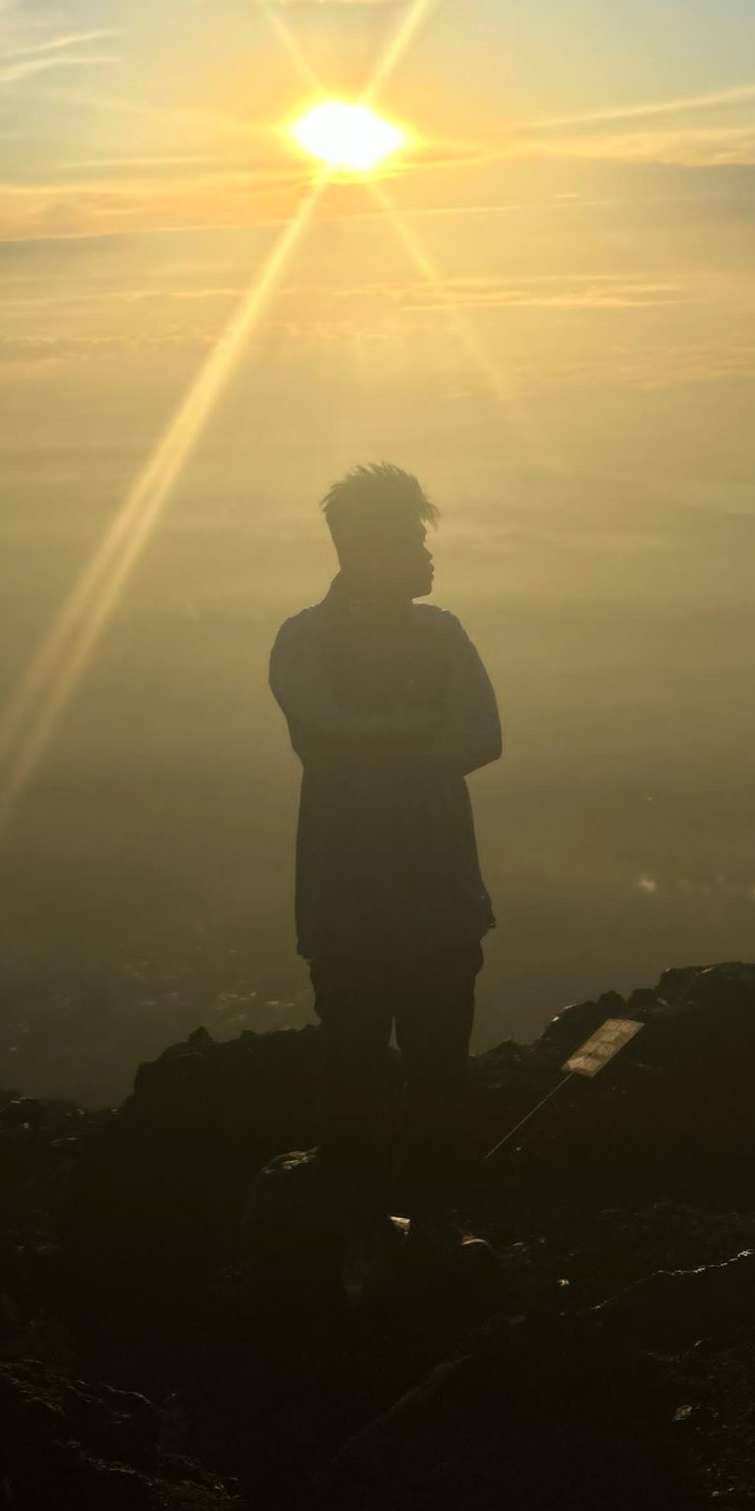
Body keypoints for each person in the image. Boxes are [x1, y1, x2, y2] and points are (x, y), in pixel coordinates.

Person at [268, 462, 501, 1226]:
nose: (428, 558)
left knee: (426, 1083)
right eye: (411, 541)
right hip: (376, 912)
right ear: (366, 551)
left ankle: (419, 1245)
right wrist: (419, 731)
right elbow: (337, 739)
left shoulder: (436, 633)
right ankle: (373, 1249)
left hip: (396, 908)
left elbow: (481, 736)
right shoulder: (303, 641)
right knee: (369, 1087)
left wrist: (376, 743)